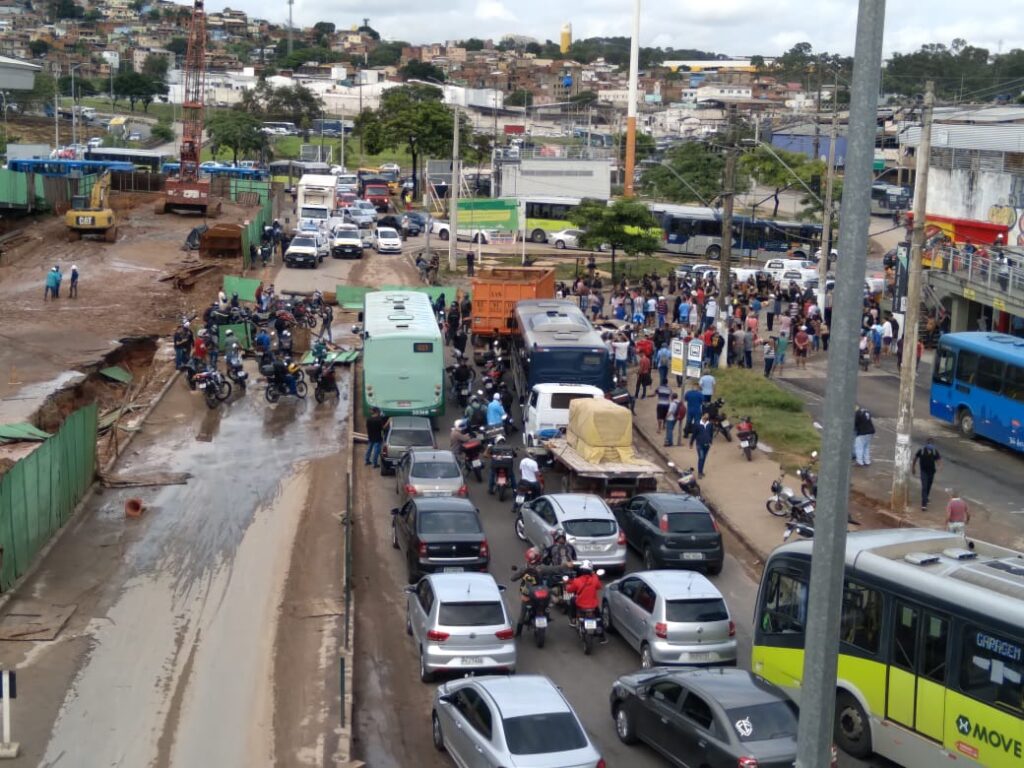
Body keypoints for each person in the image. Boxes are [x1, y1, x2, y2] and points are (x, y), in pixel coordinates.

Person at [564, 561, 604, 639]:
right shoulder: (595, 579)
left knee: (572, 599)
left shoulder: (577, 581)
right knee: (599, 618)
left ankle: (573, 619)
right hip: (593, 605)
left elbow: (569, 590)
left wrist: (566, 585)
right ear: (591, 570)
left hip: (580, 604)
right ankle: (602, 637)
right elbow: (599, 587)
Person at [512, 548, 545, 637]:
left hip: (528, 594)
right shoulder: (542, 567)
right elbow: (552, 571)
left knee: (522, 613)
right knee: (547, 603)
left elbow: (513, 578)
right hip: (540, 593)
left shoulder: (524, 567)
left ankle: (518, 633)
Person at [911, 438, 941, 510]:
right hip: (923, 471)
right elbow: (915, 458)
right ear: (926, 444)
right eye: (929, 444)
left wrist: (939, 466)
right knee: (924, 486)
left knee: (928, 486)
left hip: (931, 472)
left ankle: (926, 497)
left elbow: (938, 460)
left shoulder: (934, 451)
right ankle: (924, 505)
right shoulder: (921, 451)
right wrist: (913, 467)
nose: (930, 445)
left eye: (931, 444)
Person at [689, 411, 715, 478]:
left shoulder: (710, 424)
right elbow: (694, 434)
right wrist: (691, 443)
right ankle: (700, 473)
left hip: (707, 444)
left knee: (703, 458)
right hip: (699, 444)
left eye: (708, 415)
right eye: (706, 415)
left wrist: (710, 441)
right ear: (702, 416)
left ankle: (701, 471)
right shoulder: (697, 424)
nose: (707, 416)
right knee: (701, 457)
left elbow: (711, 433)